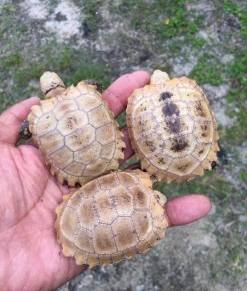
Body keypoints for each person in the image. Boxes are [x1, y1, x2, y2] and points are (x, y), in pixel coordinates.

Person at [0, 71, 211, 291]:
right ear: (59, 81)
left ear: (45, 89)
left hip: (85, 182)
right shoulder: (86, 89)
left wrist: (26, 129)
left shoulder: (39, 114)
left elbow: (26, 130)